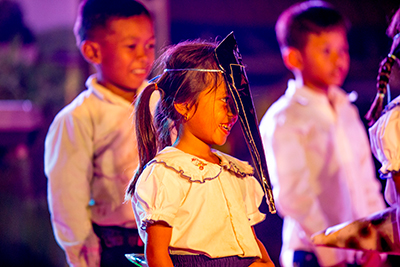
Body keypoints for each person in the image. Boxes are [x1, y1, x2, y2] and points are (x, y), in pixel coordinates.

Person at [125, 39, 275, 267]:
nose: (234, 112)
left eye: (235, 101)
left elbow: (249, 242)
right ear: (184, 105)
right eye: (225, 100)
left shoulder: (234, 171)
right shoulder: (167, 174)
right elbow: (157, 254)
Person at [259, 1, 386, 267]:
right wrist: (331, 255)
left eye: (343, 50)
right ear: (294, 58)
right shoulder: (284, 117)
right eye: (326, 51)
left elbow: (366, 183)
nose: (338, 60)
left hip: (360, 254)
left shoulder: (346, 109)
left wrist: (377, 245)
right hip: (313, 256)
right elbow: (295, 196)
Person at [44, 0, 156, 266]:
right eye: (131, 46)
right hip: (114, 249)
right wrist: (83, 255)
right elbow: (68, 198)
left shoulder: (160, 103)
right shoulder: (78, 119)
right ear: (93, 51)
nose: (144, 56)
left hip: (167, 244)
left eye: (150, 45)